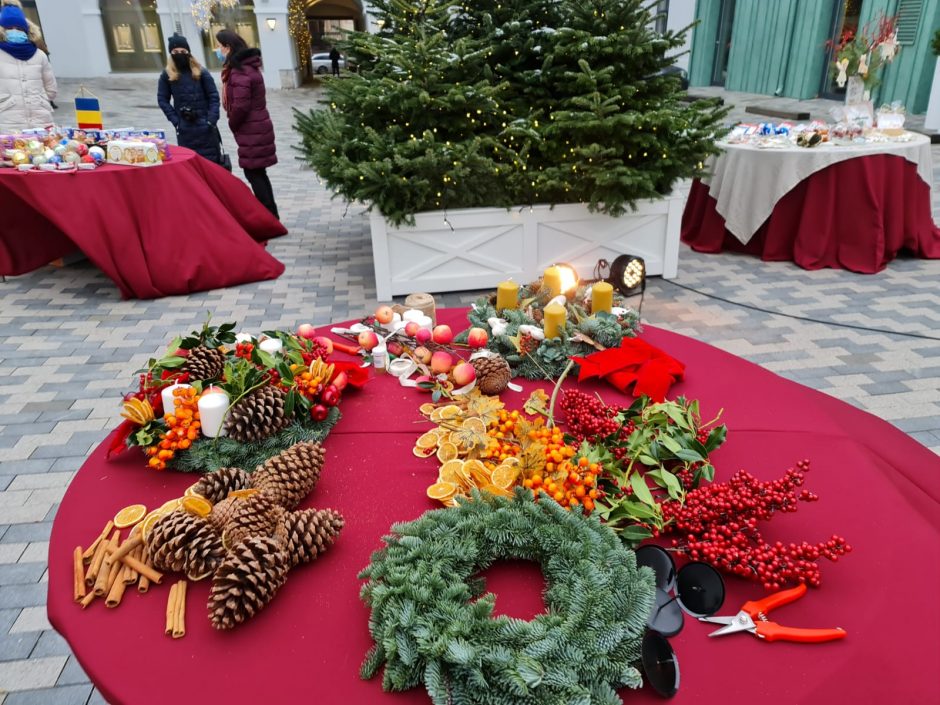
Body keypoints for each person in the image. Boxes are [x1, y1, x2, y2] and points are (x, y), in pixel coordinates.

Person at [215, 29, 279, 219]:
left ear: (228, 48)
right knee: (258, 171)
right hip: (258, 126)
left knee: (253, 172)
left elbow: (241, 106)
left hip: (252, 128)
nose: (218, 50)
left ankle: (269, 217)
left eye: (219, 46)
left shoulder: (239, 72)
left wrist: (233, 124)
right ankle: (272, 215)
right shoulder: (248, 67)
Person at [157, 34, 221, 164]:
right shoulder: (167, 75)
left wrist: (211, 120)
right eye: (175, 52)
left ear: (188, 52)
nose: (179, 54)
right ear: (171, 53)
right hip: (185, 129)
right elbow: (162, 99)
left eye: (183, 51)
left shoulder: (201, 72)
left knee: (211, 165)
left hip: (206, 128)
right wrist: (176, 122)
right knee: (192, 166)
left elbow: (213, 96)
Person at [0, 3, 56, 131]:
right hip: (8, 122)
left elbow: (51, 89)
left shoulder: (39, 55)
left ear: (26, 30)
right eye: (10, 28)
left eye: (19, 28)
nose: (15, 31)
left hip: (41, 120)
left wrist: (39, 101)